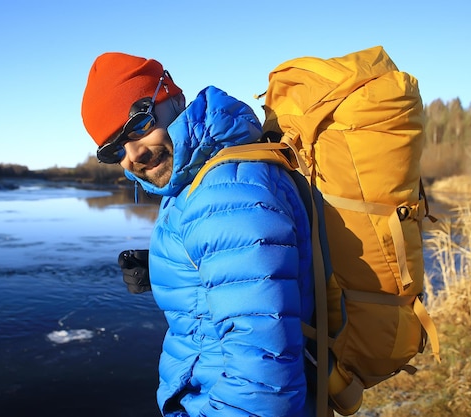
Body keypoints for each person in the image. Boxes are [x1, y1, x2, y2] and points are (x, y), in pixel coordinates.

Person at [81, 52, 315, 417]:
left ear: (173, 97)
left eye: (140, 124)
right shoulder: (198, 175)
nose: (134, 154)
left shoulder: (221, 193)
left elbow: (263, 379)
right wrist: (167, 265)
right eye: (113, 150)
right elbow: (236, 263)